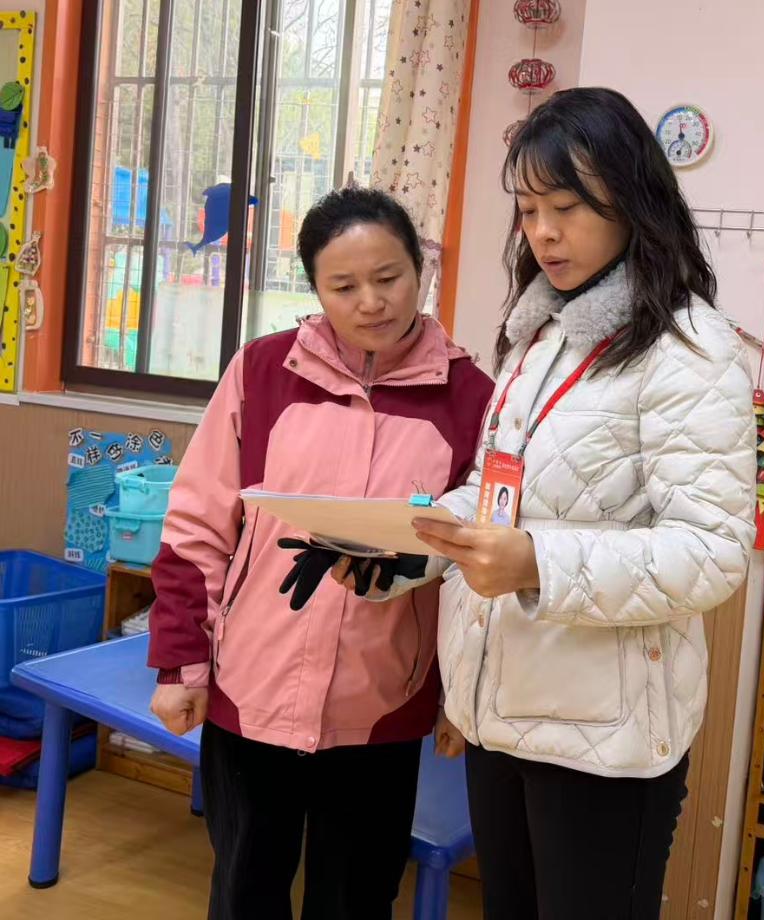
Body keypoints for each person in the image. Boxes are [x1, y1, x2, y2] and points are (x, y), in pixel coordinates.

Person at [344, 87, 756, 919]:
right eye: (529, 210)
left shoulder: (687, 347)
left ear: (633, 201)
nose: (543, 232)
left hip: (606, 738)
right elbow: (498, 493)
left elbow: (711, 552)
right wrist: (405, 547)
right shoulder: (540, 335)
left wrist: (538, 563)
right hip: (504, 709)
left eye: (566, 208)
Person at [146, 186, 493, 920]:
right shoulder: (262, 372)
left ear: (421, 269)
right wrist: (181, 665)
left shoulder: (472, 398)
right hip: (252, 693)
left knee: (356, 901)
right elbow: (196, 528)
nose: (371, 302)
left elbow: (476, 569)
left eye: (389, 277)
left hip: (381, 706)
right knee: (245, 894)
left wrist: (463, 697)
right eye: (344, 286)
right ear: (315, 289)